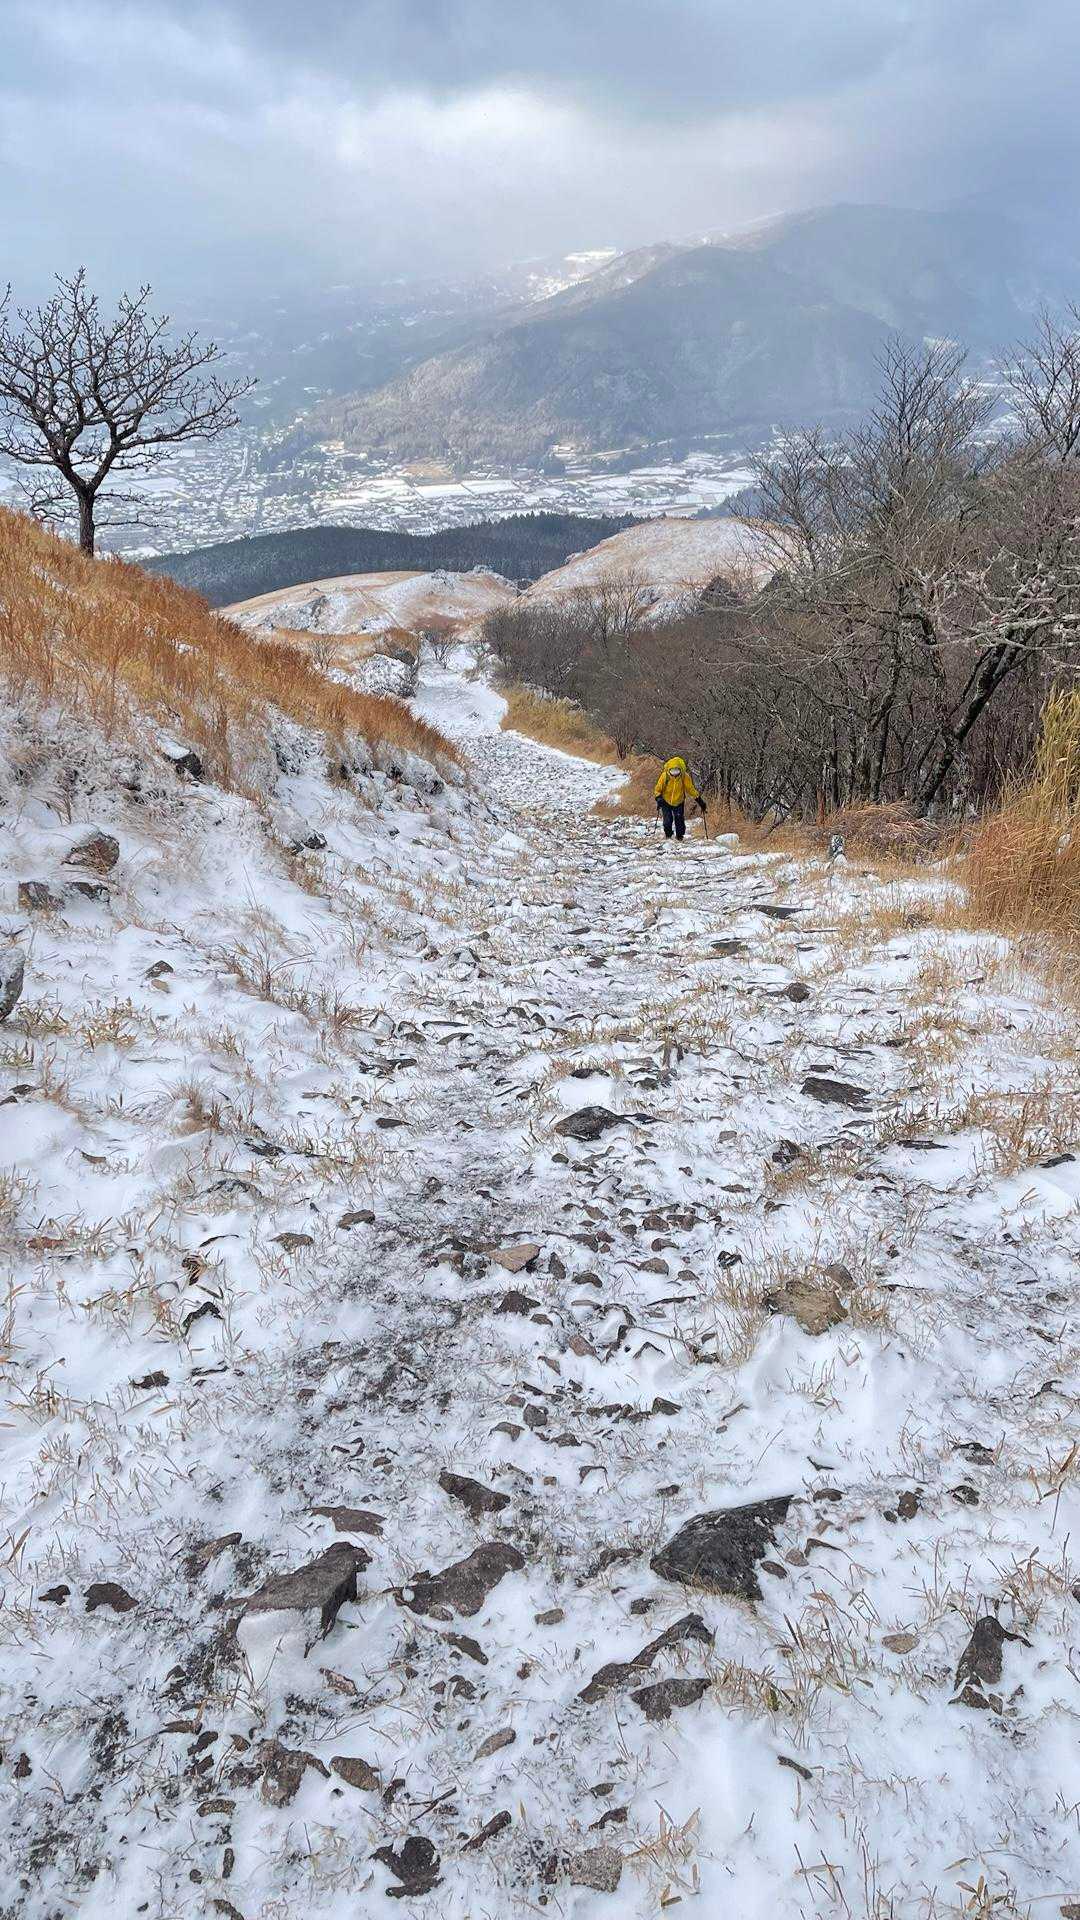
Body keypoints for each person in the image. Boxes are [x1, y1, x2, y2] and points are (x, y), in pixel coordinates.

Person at [653, 755, 706, 840]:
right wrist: (658, 798)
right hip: (665, 801)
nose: (675, 773)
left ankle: (679, 837)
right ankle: (668, 836)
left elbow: (690, 789)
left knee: (679, 820)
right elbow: (657, 789)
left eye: (677, 770)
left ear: (680, 770)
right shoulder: (664, 776)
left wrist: (699, 800)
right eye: (672, 770)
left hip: (679, 801)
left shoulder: (684, 777)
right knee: (667, 821)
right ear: (669, 770)